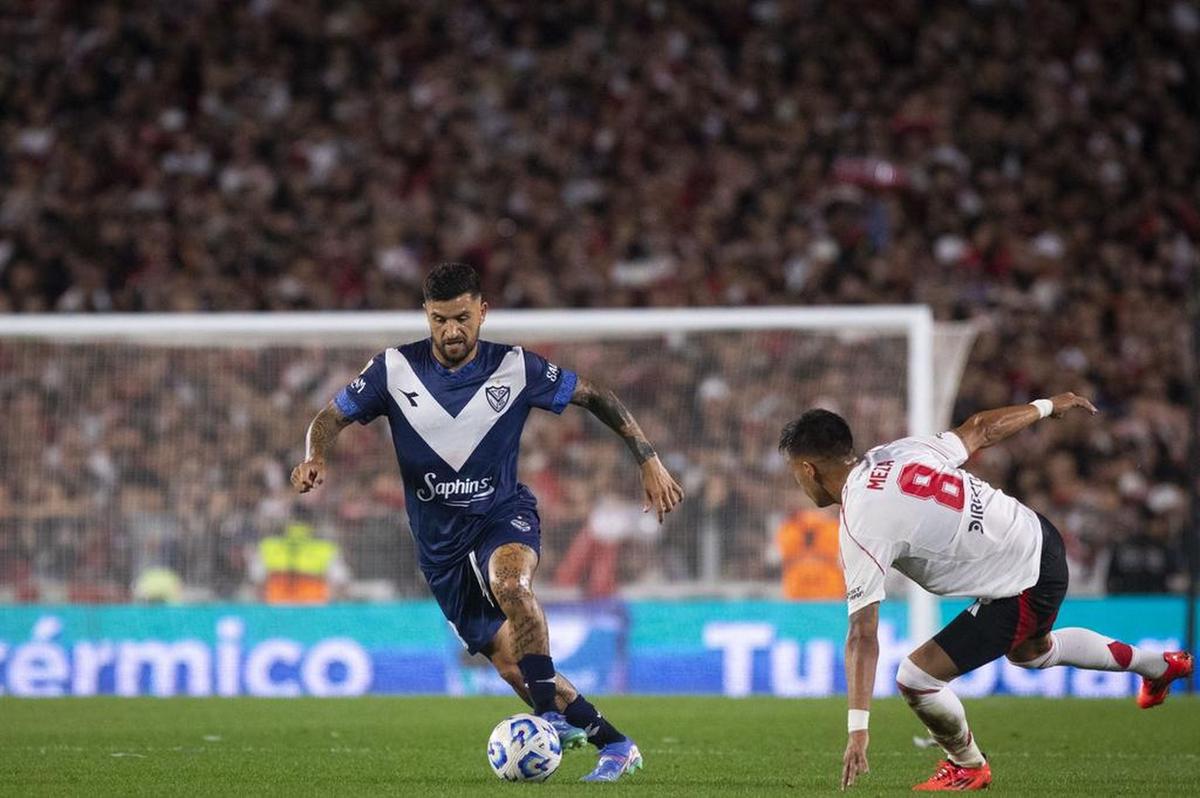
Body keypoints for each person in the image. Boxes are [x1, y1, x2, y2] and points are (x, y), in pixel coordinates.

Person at [291, 262, 683, 782]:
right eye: (438, 320)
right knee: (509, 664)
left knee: (511, 584)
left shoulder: (516, 368)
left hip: (502, 515)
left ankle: (546, 717)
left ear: (482, 311)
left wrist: (649, 459)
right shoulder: (392, 370)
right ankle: (615, 743)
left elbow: (597, 396)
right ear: (425, 317)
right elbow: (329, 416)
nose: (451, 331)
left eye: (461, 317)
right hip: (439, 546)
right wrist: (314, 454)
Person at [777, 394, 1193, 791]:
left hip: (1022, 578)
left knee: (917, 677)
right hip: (1037, 534)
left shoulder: (861, 521)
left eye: (796, 472)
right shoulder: (898, 452)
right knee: (1032, 652)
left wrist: (858, 729)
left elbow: (862, 635)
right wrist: (1045, 406)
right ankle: (1160, 666)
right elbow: (980, 428)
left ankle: (967, 766)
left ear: (809, 469)